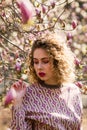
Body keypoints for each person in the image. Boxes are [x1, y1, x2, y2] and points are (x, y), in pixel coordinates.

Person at [6, 32, 83, 130]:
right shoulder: (29, 94)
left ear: (58, 61)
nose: (39, 67)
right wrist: (18, 103)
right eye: (36, 62)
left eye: (45, 61)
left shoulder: (73, 91)